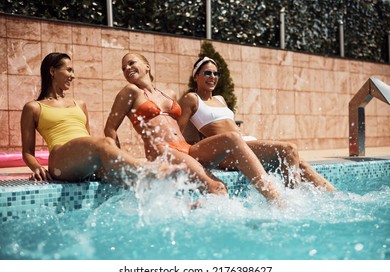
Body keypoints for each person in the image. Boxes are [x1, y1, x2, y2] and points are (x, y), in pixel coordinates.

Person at [104, 53, 281, 203]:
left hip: (186, 148)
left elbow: (181, 127)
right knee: (217, 187)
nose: (127, 68)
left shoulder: (168, 94)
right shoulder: (130, 91)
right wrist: (120, 165)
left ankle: (273, 196)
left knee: (232, 138)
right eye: (123, 68)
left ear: (147, 66)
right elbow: (110, 129)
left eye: (131, 63)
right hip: (162, 151)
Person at [178, 56, 336, 191]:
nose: (212, 76)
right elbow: (178, 131)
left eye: (215, 73)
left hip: (245, 143)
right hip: (227, 151)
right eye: (207, 73)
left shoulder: (220, 99)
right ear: (196, 76)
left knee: (300, 164)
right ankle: (293, 198)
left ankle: (334, 196)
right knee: (289, 149)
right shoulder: (192, 98)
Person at [21, 52, 172, 183]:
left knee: (124, 181)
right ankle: (147, 169)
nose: (73, 76)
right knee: (105, 142)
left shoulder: (80, 104)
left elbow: (86, 138)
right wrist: (36, 167)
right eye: (69, 70)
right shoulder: (33, 107)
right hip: (60, 161)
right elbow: (27, 152)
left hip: (83, 160)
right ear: (53, 71)